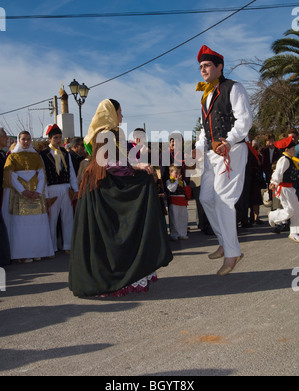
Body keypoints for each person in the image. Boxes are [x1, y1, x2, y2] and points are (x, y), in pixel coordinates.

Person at [69, 99, 173, 298]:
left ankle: (129, 274)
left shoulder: (111, 133)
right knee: (110, 234)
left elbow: (126, 157)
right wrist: (136, 167)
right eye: (119, 111)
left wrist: (139, 165)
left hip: (107, 186)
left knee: (114, 231)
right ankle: (111, 279)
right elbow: (108, 163)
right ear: (110, 113)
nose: (122, 116)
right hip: (103, 190)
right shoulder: (104, 134)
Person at [195, 45, 253, 275]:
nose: (203, 69)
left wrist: (228, 141)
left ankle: (232, 253)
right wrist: (198, 150)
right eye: (200, 66)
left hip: (232, 151)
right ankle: (223, 241)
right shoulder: (205, 95)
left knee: (223, 201)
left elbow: (244, 120)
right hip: (212, 155)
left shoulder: (234, 88)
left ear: (219, 67)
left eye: (207, 65)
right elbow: (203, 130)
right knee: (206, 198)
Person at [2, 131, 54, 262]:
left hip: (36, 194)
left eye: (28, 139)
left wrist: (37, 191)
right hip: (19, 194)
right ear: (19, 140)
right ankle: (22, 255)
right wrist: (23, 191)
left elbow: (42, 174)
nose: (26, 142)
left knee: (37, 222)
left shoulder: (36, 156)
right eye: (23, 139)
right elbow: (11, 176)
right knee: (21, 224)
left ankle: (38, 251)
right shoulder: (12, 157)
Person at [40, 125, 79, 253]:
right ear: (49, 139)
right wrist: (45, 194)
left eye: (60, 137)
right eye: (55, 138)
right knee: (52, 219)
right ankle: (51, 246)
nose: (58, 140)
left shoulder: (65, 153)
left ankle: (68, 245)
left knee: (68, 218)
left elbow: (71, 172)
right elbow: (43, 175)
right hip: (52, 188)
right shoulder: (43, 154)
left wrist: (75, 189)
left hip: (66, 187)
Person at [268, 136, 299, 243]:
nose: (294, 151)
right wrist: (274, 182)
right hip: (284, 188)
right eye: (292, 149)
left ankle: (294, 232)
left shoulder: (289, 159)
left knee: (296, 209)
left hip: (289, 188)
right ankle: (273, 216)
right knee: (291, 210)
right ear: (286, 150)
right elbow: (278, 172)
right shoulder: (284, 160)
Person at [166, 165, 191, 241]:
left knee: (183, 219)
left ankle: (183, 234)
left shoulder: (183, 182)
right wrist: (176, 182)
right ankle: (175, 234)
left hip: (182, 202)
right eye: (175, 173)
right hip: (174, 203)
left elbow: (186, 191)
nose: (178, 174)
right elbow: (172, 189)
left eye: (179, 173)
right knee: (174, 219)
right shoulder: (169, 181)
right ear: (170, 173)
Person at [261, 134, 281, 203]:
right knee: (269, 182)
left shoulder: (277, 150)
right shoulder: (264, 150)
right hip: (267, 169)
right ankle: (270, 197)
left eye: (272, 141)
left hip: (274, 169)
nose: (271, 143)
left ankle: (275, 197)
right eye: (269, 141)